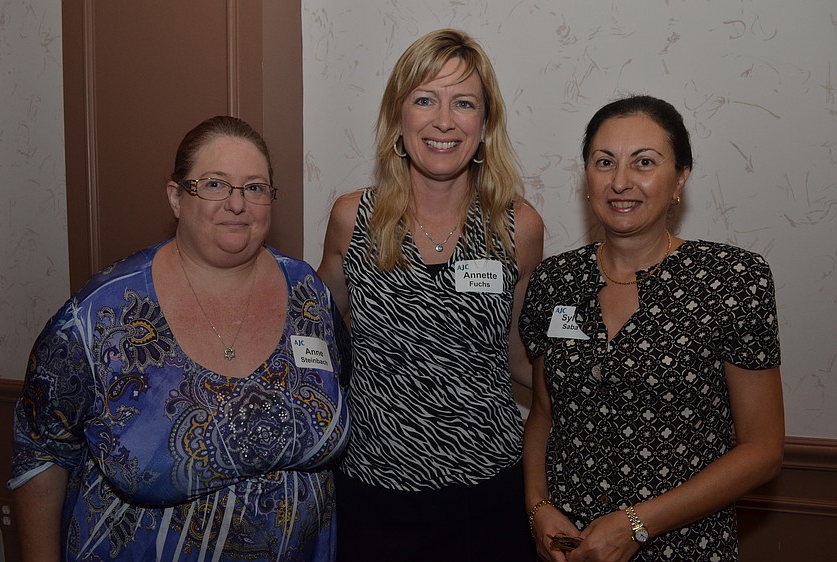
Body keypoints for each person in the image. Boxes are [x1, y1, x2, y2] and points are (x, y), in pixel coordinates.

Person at [11, 116, 350, 561]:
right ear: (176, 197)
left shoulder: (310, 294)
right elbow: (40, 452)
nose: (237, 203)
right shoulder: (101, 316)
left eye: (254, 187)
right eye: (214, 184)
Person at [519, 95, 785, 562]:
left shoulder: (733, 279)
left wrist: (637, 525)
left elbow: (762, 449)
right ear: (587, 178)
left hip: (684, 546)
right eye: (605, 163)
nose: (621, 181)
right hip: (571, 550)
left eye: (644, 162)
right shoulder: (555, 280)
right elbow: (544, 413)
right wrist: (538, 507)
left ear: (680, 177)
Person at [318, 28, 544, 561]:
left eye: (463, 103)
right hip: (374, 490)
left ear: (485, 126)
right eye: (425, 100)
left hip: (488, 491)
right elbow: (323, 336)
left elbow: (517, 352)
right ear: (399, 119)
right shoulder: (353, 219)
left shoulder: (518, 226)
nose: (444, 121)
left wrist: (601, 392)